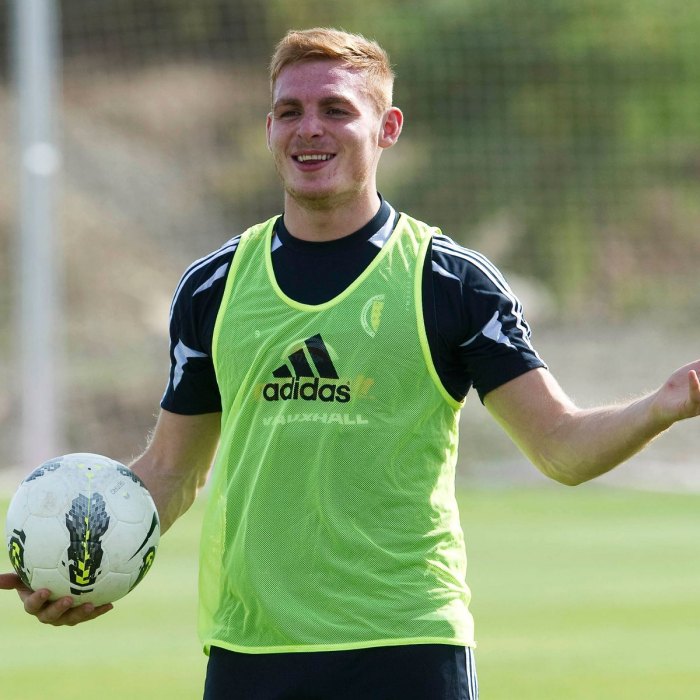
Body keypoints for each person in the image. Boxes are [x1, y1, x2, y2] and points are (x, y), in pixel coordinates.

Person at [2, 27, 700, 700]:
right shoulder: (214, 287)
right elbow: (172, 470)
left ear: (387, 127)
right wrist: (82, 572)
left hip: (408, 647)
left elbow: (560, 447)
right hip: (250, 651)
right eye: (289, 111)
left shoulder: (448, 282)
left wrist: (664, 404)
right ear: (269, 129)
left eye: (336, 109)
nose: (309, 129)